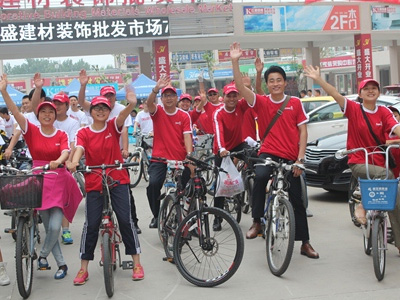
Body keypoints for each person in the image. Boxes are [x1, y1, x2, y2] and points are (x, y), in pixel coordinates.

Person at [230, 42, 319, 259]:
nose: (276, 83)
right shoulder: (260, 102)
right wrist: (235, 61)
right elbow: (242, 89)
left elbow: (303, 132)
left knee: (297, 199)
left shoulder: (296, 103)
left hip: (291, 157)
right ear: (268, 84)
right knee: (259, 177)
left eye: (279, 80)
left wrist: (300, 159)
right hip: (268, 153)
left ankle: (305, 243)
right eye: (272, 81)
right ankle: (257, 221)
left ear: (285, 82)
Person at [304, 65, 400, 254]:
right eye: (366, 88)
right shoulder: (354, 109)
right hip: (359, 161)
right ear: (360, 93)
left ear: (379, 92)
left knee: (395, 201)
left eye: (374, 88)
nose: (371, 91)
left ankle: (398, 241)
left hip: (380, 161)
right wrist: (318, 79)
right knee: (387, 175)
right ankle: (363, 205)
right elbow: (334, 93)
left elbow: (396, 129)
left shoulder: (384, 112)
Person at [0, 74, 83, 279]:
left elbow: (65, 151)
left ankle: (43, 255)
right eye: (43, 111)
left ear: (55, 116)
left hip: (58, 177)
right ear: (38, 115)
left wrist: (59, 160)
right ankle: (61, 265)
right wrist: (3, 91)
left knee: (55, 226)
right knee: (48, 227)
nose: (47, 114)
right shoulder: (32, 130)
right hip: (38, 179)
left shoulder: (61, 134)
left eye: (51, 112)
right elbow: (16, 113)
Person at [67, 90, 144, 284]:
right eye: (97, 108)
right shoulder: (83, 132)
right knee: (91, 224)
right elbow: (79, 149)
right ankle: (83, 268)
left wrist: (130, 104)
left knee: (126, 221)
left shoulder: (113, 126)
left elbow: (123, 117)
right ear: (90, 111)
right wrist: (74, 162)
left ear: (109, 112)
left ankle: (136, 262)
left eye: (104, 108)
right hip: (94, 181)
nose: (101, 111)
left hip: (117, 179)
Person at [78, 70, 141, 233]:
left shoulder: (121, 110)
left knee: (124, 192)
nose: (109, 99)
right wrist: (83, 85)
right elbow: (81, 101)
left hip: (117, 155)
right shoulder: (96, 112)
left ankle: (132, 222)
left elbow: (125, 130)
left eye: (111, 96)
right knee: (96, 197)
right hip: (97, 157)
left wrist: (125, 149)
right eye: (106, 96)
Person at [31, 74, 81, 245]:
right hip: (43, 167)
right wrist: (38, 88)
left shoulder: (72, 123)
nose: (57, 107)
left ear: (67, 106)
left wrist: (69, 161)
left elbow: (72, 144)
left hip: (63, 164)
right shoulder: (45, 119)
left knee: (65, 196)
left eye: (61, 104)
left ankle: (65, 230)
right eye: (56, 103)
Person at [145, 77, 192, 228]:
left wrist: (189, 156)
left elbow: (187, 136)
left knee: (188, 186)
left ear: (177, 98)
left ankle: (188, 218)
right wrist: (155, 89)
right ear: (162, 98)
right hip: (160, 159)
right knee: (153, 184)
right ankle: (157, 215)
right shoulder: (157, 111)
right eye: (166, 95)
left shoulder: (184, 115)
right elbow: (149, 103)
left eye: (172, 95)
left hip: (180, 158)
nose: (169, 98)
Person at [212, 83, 250, 230]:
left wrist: (247, 85)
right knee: (220, 183)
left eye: (235, 95)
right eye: (229, 96)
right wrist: (222, 148)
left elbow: (251, 98)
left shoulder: (241, 106)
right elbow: (218, 132)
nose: (232, 98)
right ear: (224, 97)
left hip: (239, 144)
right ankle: (217, 217)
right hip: (222, 149)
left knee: (255, 161)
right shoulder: (218, 113)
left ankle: (249, 186)